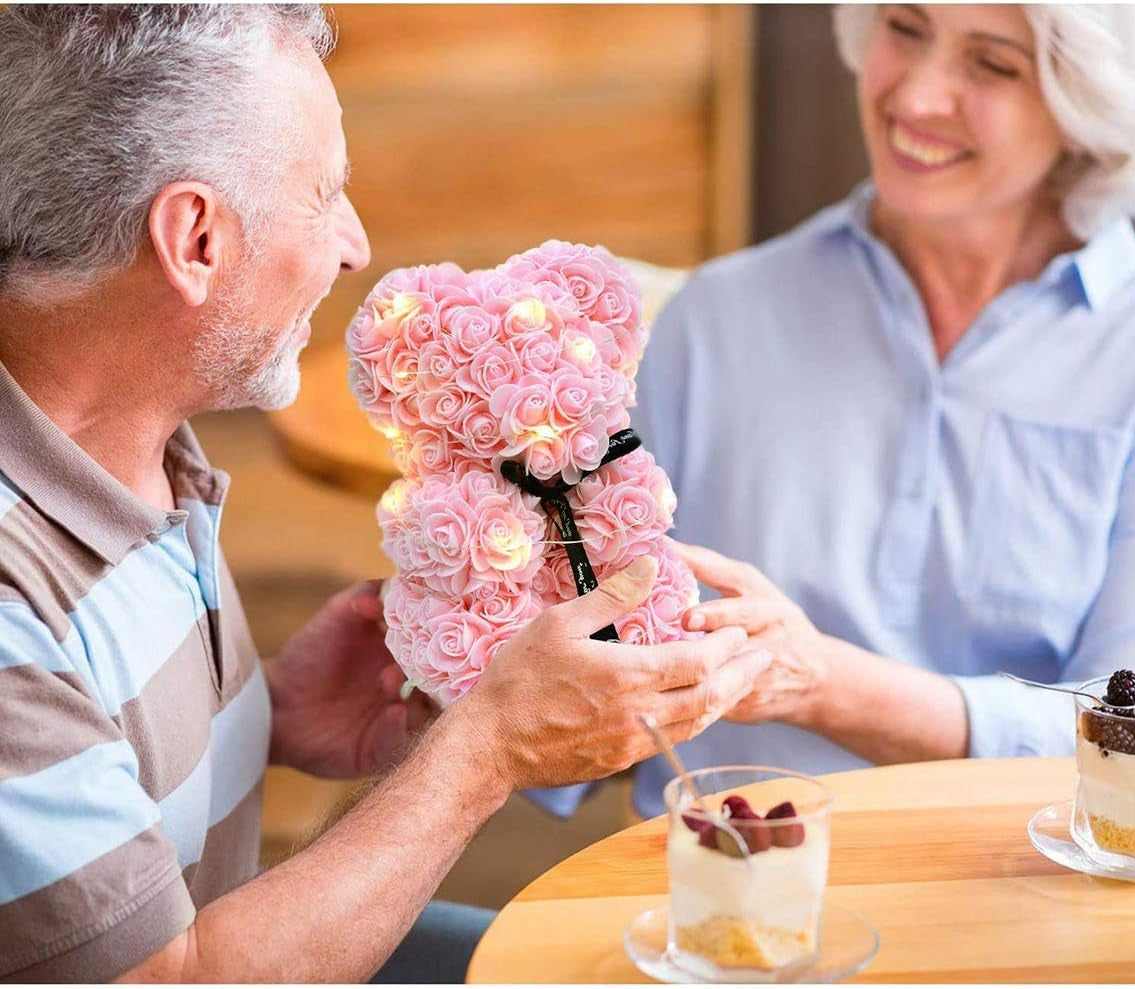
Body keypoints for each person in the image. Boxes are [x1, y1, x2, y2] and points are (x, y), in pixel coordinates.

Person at [0, 6, 766, 982]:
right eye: (323, 195)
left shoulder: (135, 442)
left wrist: (264, 714)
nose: (355, 246)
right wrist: (487, 747)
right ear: (193, 237)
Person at [576, 2, 1135, 819]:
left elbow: (1124, 729)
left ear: (1087, 106)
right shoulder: (719, 319)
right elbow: (595, 677)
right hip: (722, 903)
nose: (915, 97)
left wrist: (824, 683)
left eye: (993, 64)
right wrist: (435, 688)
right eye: (905, 28)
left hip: (1022, 904)